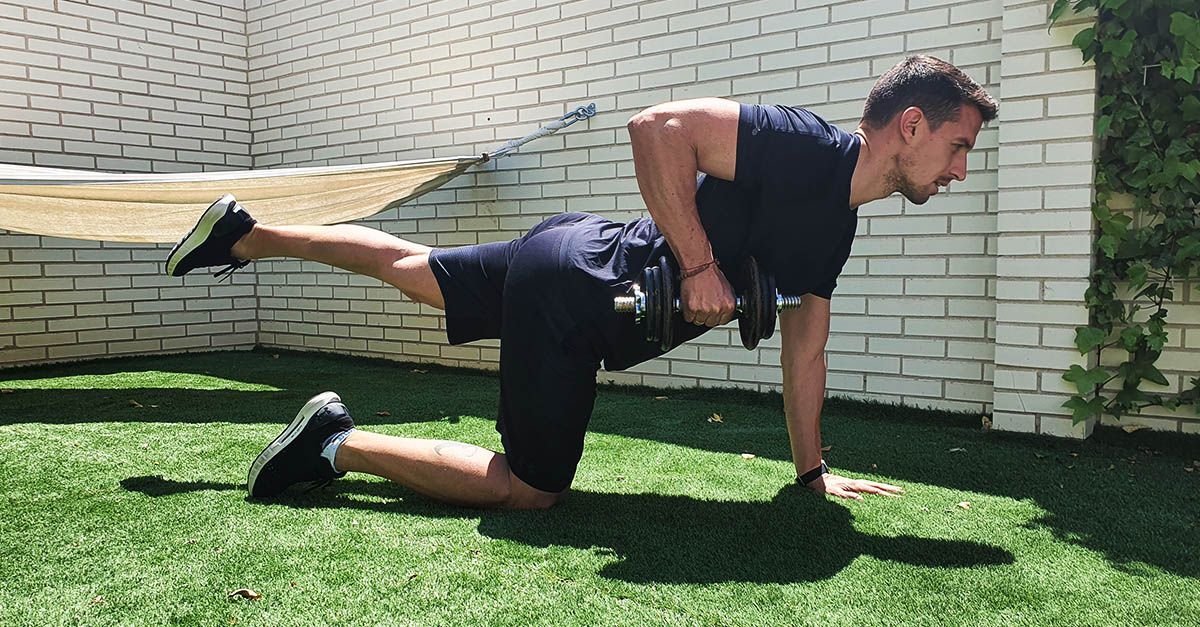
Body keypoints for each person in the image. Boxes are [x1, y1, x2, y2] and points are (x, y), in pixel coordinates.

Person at [166, 55, 997, 509]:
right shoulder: (804, 146)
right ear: (911, 125)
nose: (960, 168)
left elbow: (805, 349)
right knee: (528, 489)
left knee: (414, 270)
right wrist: (701, 266)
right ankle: (336, 443)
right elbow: (657, 128)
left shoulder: (836, 224)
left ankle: (246, 236)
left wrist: (812, 474)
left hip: (571, 252)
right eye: (958, 146)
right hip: (580, 298)